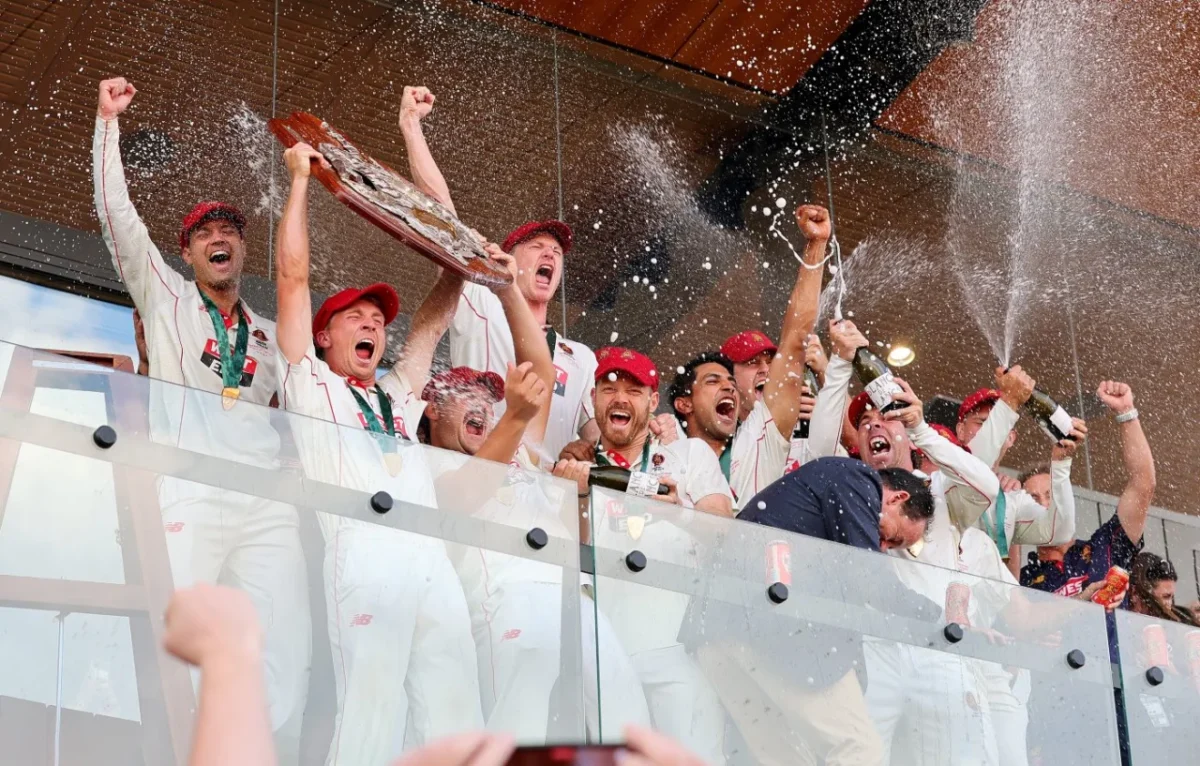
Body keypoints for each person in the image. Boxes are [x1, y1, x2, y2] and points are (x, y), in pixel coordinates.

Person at [93, 76, 310, 756]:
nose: (220, 239)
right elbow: (117, 218)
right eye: (205, 233)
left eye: (230, 232)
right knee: (179, 631)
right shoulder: (166, 299)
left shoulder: (272, 334)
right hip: (189, 483)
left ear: (242, 251)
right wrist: (108, 124)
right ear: (186, 254)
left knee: (287, 645)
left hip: (263, 503)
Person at [274, 141, 484, 764]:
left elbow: (441, 307)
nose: (372, 326)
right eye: (355, 317)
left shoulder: (396, 394)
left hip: (428, 559)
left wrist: (462, 253)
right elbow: (292, 279)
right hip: (361, 552)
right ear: (323, 334)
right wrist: (300, 183)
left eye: (377, 320)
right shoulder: (309, 383)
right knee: (373, 711)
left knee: (455, 714)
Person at [687, 458, 935, 765]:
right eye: (890, 536)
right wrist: (936, 618)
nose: (882, 546)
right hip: (772, 626)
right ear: (898, 498)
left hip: (715, 628)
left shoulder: (821, 487)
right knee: (858, 749)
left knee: (785, 757)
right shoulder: (857, 479)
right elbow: (870, 577)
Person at [395, 85, 598, 460]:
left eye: (556, 251)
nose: (549, 253)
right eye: (536, 247)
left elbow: (597, 436)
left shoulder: (581, 356)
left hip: (538, 485)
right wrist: (411, 126)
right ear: (507, 259)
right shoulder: (480, 299)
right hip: (471, 457)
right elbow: (443, 220)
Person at [554, 346, 732, 763]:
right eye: (608, 388)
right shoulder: (578, 467)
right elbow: (567, 561)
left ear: (653, 401)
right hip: (607, 647)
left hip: (678, 643)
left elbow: (724, 532)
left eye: (634, 390)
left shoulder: (688, 454)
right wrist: (577, 497)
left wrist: (680, 514)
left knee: (694, 757)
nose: (619, 398)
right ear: (593, 399)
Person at [715, 204, 830, 506]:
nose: (766, 369)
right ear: (726, 379)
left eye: (769, 361)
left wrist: (816, 247)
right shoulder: (685, 440)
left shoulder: (766, 430)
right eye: (752, 363)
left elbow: (796, 337)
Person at [1020, 381, 1154, 610]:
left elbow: (1143, 483)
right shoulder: (1024, 580)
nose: (1043, 504)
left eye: (1049, 496)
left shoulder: (1104, 545)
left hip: (1107, 647)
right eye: (1032, 499)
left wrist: (1126, 413)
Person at [955, 366, 1087, 555]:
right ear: (960, 430)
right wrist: (1009, 401)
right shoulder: (941, 474)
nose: (993, 429)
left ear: (1011, 438)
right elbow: (972, 472)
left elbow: (1060, 531)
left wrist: (1060, 463)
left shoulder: (1010, 500)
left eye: (1001, 423)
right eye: (982, 423)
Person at [1129, 552, 1198, 626]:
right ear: (1135, 593)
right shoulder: (1119, 621)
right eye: (1166, 596)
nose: (1170, 604)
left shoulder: (1182, 622)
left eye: (1171, 597)